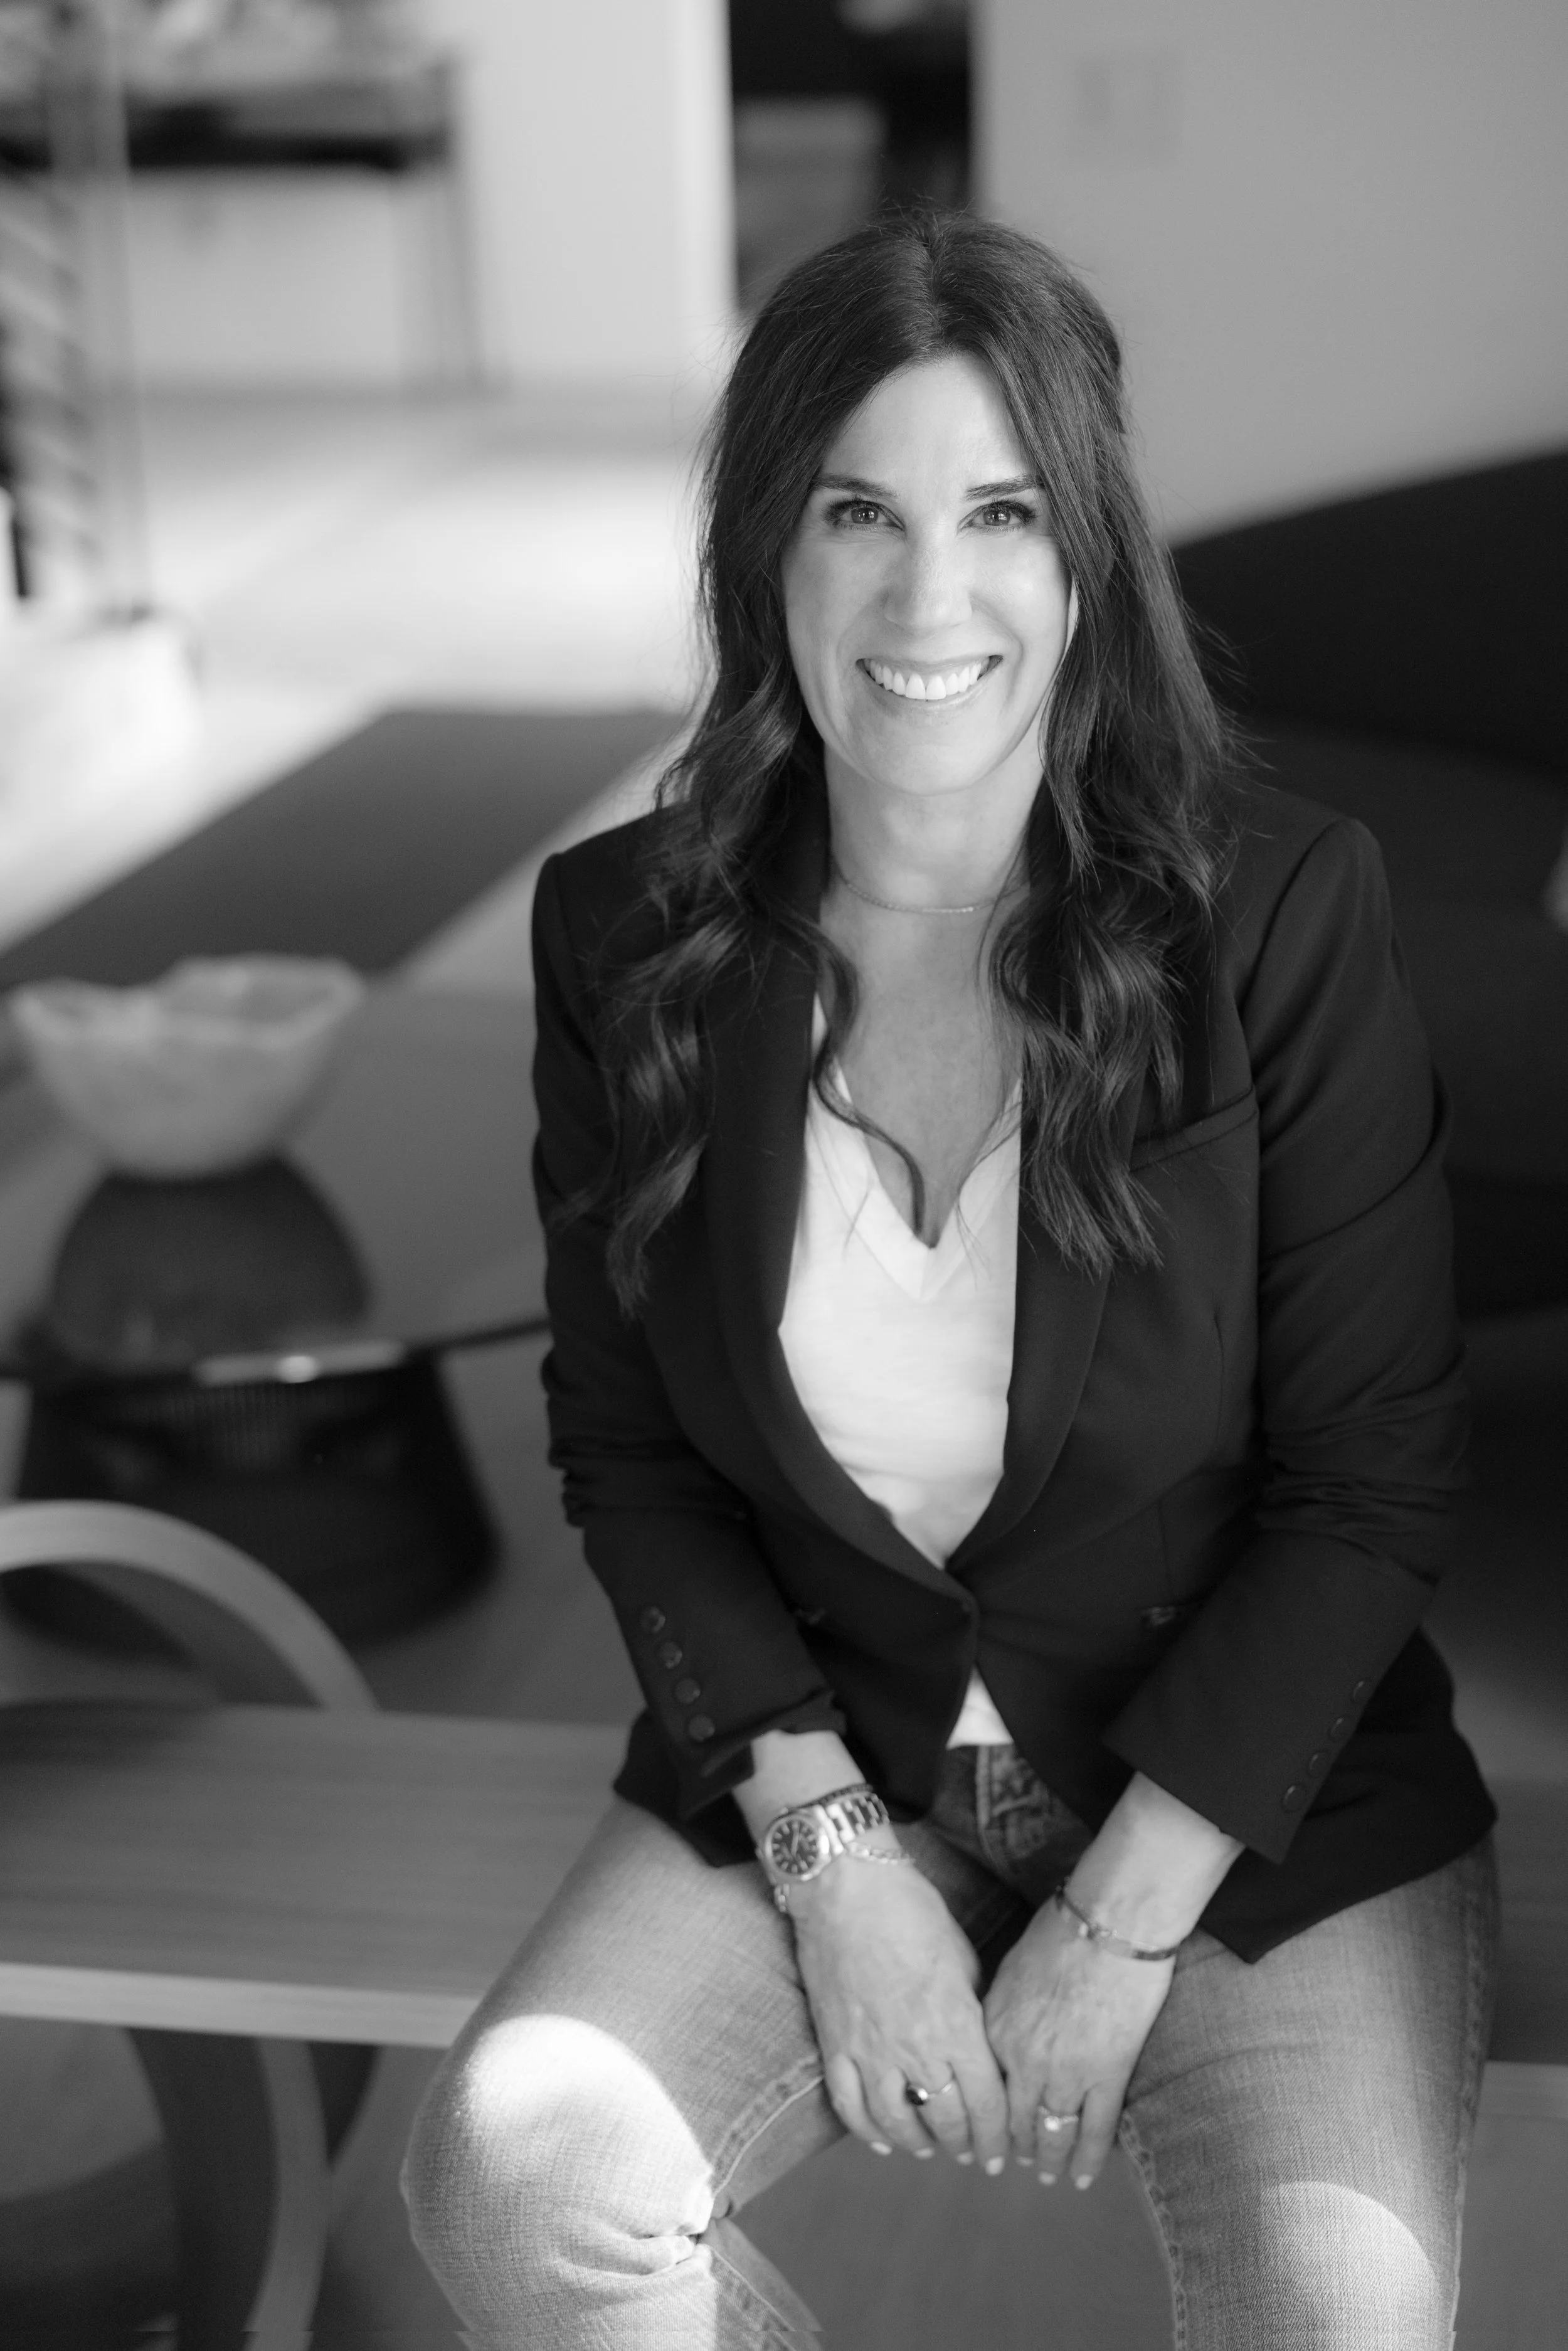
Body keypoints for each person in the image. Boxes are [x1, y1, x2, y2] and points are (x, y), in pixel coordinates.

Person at [402, 211, 1498, 2350]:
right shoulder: (616, 936)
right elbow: (629, 1448)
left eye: (1000, 510)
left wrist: (1114, 1916)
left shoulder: (1275, 914)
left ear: (1082, 557)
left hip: (1233, 1795)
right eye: (855, 514)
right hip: (828, 1741)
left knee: (1334, 2321)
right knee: (523, 2189)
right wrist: (828, 1854)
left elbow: (1369, 1477)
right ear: (764, 560)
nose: (930, 596)